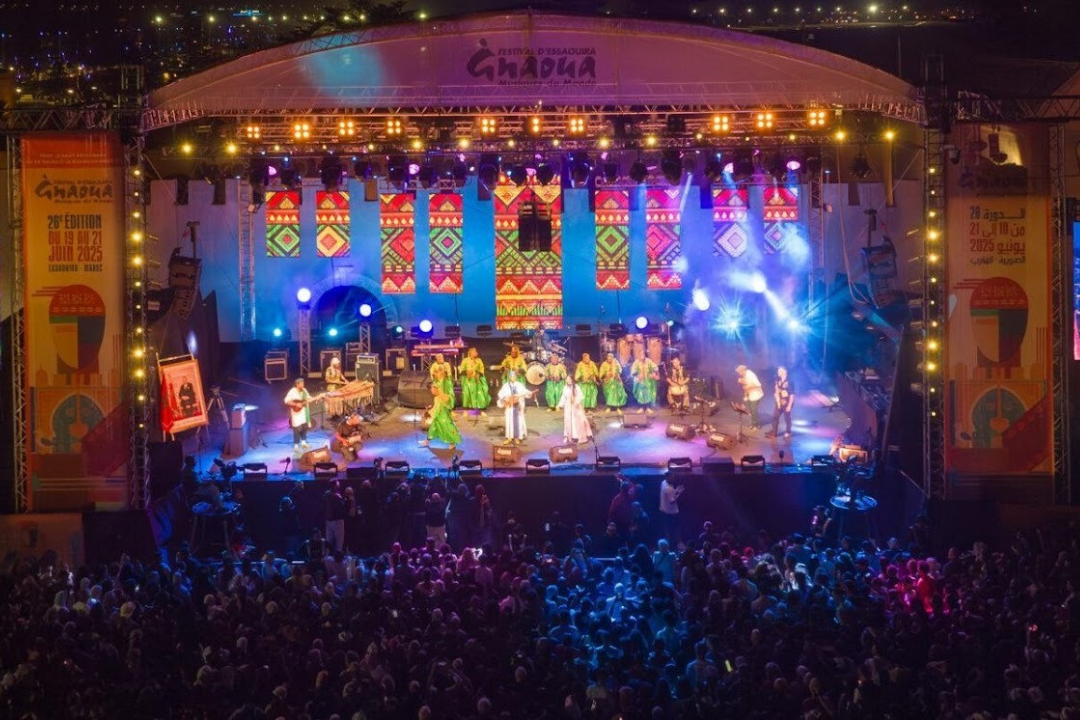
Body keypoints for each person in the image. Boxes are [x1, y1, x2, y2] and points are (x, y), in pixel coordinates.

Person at [420, 383, 461, 450]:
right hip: (438, 416)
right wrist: (428, 413)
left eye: (432, 389)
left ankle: (452, 443)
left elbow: (448, 406)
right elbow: (435, 408)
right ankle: (427, 441)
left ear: (437, 389)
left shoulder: (445, 397)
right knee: (432, 428)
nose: (431, 391)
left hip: (445, 417)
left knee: (448, 429)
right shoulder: (436, 398)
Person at [497, 370, 532, 445]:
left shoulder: (519, 385)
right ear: (509, 377)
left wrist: (529, 394)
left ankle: (517, 437)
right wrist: (506, 399)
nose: (512, 377)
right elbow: (501, 395)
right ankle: (509, 437)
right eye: (511, 376)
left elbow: (525, 392)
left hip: (517, 407)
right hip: (509, 407)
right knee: (509, 422)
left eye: (514, 376)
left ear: (516, 377)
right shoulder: (506, 386)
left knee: (518, 421)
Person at [557, 374, 593, 445]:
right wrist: (559, 405)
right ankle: (568, 436)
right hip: (568, 406)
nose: (568, 380)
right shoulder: (565, 387)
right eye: (567, 379)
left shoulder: (576, 387)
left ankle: (578, 436)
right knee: (568, 421)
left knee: (577, 421)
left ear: (572, 380)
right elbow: (563, 397)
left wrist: (575, 401)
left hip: (575, 406)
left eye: (569, 379)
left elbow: (580, 395)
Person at [458, 347, 490, 416]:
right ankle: (466, 411)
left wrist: (478, 373)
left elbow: (482, 368)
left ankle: (481, 411)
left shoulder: (479, 360)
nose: (476, 353)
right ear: (471, 353)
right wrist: (467, 372)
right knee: (467, 395)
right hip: (468, 381)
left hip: (476, 381)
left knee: (480, 395)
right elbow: (461, 370)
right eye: (475, 352)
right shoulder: (465, 360)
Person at [284, 378, 312, 454]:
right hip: (297, 414)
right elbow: (286, 400)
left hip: (304, 413)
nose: (303, 384)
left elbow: (309, 398)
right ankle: (296, 445)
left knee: (304, 427)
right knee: (297, 429)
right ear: (297, 384)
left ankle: (303, 442)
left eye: (303, 383)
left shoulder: (304, 390)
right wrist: (296, 404)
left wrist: (315, 398)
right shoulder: (292, 391)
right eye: (302, 383)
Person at [766, 365, 795, 439]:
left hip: (787, 403)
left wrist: (789, 406)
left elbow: (792, 395)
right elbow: (777, 389)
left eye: (779, 371)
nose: (778, 372)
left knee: (787, 417)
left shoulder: (789, 382)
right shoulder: (778, 380)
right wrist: (776, 394)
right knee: (775, 417)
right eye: (778, 370)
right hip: (779, 402)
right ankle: (774, 433)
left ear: (784, 372)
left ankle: (788, 432)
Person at [630, 348, 660, 413]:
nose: (642, 355)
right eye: (640, 354)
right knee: (640, 394)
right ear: (638, 355)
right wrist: (638, 375)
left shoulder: (649, 361)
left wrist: (653, 373)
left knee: (648, 393)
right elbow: (633, 371)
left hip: (648, 381)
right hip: (640, 381)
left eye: (643, 353)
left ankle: (648, 408)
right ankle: (641, 407)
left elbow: (655, 367)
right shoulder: (636, 362)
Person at [659, 475, 685, 545]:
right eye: (672, 478)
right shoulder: (668, 488)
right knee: (672, 528)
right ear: (668, 478)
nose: (673, 479)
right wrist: (679, 493)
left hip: (664, 509)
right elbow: (672, 501)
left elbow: (670, 493)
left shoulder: (663, 482)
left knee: (667, 527)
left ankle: (668, 542)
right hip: (670, 512)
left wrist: (676, 490)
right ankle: (673, 543)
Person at [736, 364, 764, 429]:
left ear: (743, 370)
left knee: (753, 409)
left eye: (739, 371)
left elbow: (758, 385)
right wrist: (746, 396)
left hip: (756, 395)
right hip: (751, 395)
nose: (738, 373)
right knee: (751, 409)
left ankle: (756, 425)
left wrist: (749, 387)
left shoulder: (750, 375)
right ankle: (753, 423)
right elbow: (745, 387)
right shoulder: (744, 375)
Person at [323, 480, 346, 554]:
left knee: (328, 541)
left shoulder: (325, 495)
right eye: (338, 484)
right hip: (337, 520)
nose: (339, 486)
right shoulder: (337, 496)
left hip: (328, 520)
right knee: (339, 542)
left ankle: (327, 557)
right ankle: (338, 557)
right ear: (335, 486)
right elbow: (341, 507)